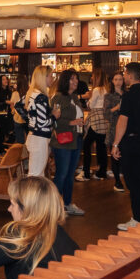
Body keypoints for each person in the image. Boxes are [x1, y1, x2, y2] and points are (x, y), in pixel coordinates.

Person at [0, 175, 77, 279]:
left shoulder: (22, 237)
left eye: (12, 204)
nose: (9, 209)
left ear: (26, 209)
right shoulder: (58, 232)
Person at [111, 61, 140, 229]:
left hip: (131, 143)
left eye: (125, 74)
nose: (124, 77)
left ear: (130, 76)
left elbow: (123, 121)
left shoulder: (128, 96)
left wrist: (115, 144)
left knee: (133, 181)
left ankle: (137, 218)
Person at [49, 68, 86, 217]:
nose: (75, 81)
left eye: (76, 78)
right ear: (65, 81)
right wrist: (72, 122)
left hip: (76, 140)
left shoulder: (75, 97)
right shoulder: (58, 98)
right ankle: (55, 207)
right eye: (72, 79)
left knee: (70, 174)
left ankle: (67, 203)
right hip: (62, 142)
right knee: (62, 174)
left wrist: (80, 123)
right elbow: (54, 121)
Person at [81, 72, 111, 181]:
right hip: (104, 120)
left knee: (86, 145)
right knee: (101, 146)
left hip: (95, 119)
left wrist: (88, 99)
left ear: (97, 77)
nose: (91, 77)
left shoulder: (97, 90)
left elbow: (91, 105)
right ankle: (101, 172)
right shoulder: (107, 89)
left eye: (93, 76)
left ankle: (86, 172)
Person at [24, 65, 53, 178]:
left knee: (35, 174)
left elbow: (19, 106)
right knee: (36, 175)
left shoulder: (32, 93)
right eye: (50, 76)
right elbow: (42, 122)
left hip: (34, 136)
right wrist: (54, 117)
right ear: (43, 78)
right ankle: (30, 191)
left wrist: (31, 121)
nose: (52, 78)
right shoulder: (41, 97)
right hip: (39, 139)